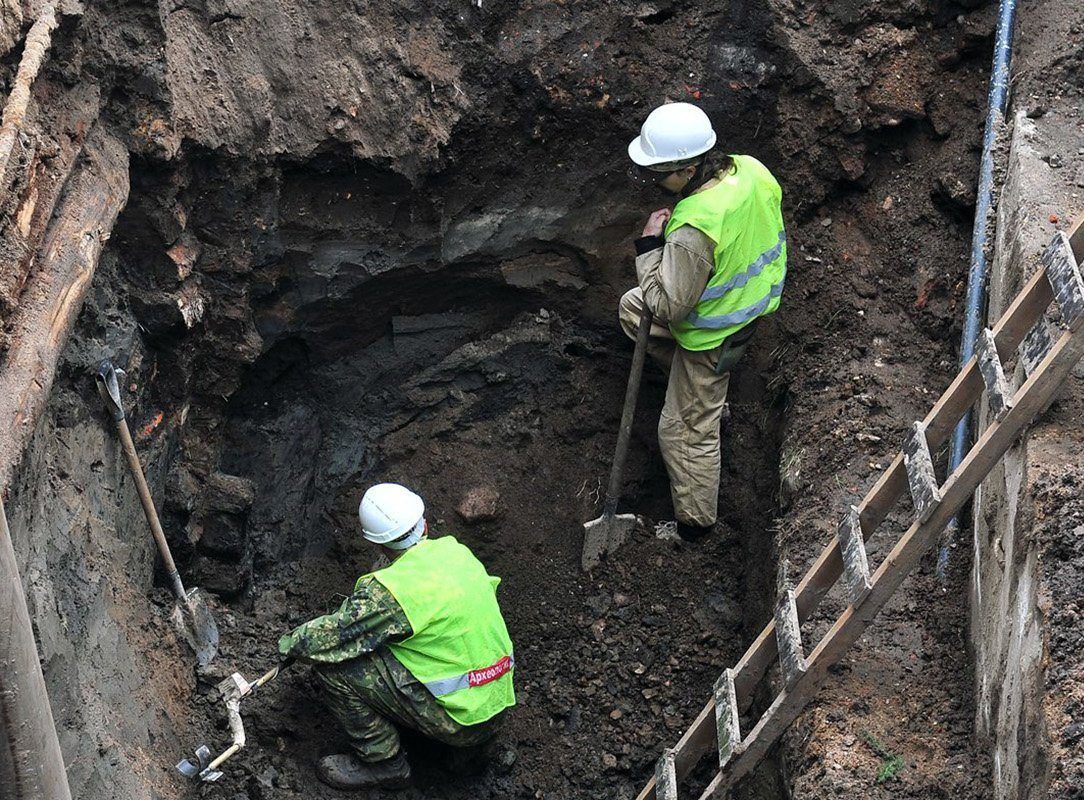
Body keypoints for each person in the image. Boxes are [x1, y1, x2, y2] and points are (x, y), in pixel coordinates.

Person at [621, 102, 787, 541]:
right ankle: (701, 397)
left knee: (679, 432)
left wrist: (651, 247)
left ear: (687, 168)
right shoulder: (750, 170)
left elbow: (667, 305)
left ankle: (695, 524)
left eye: (660, 174)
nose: (656, 183)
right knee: (630, 309)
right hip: (742, 301)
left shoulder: (694, 227)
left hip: (713, 333)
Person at [278, 483, 515, 790]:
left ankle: (383, 764)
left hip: (461, 721)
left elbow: (327, 640)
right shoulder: (458, 553)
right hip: (497, 704)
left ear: (378, 545)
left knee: (336, 668)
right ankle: (467, 756)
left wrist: (287, 645)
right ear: (425, 524)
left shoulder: (391, 593)